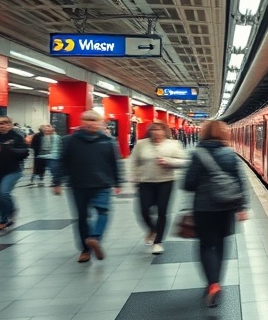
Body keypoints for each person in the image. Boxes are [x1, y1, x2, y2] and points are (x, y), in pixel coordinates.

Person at [183, 120, 250, 307]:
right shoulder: (230, 154)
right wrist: (242, 207)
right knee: (220, 245)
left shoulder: (197, 154)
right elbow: (240, 182)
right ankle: (217, 281)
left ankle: (212, 284)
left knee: (206, 246)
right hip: (226, 208)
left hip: (203, 209)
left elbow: (187, 184)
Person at [52, 110, 122, 263]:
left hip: (102, 184)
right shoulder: (69, 140)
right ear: (81, 122)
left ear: (100, 123)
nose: (90, 123)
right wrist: (57, 182)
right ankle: (85, 250)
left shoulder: (108, 142)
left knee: (103, 211)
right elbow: (61, 161)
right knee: (82, 218)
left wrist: (118, 182)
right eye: (87, 120)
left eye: (94, 120)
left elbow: (115, 163)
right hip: (78, 185)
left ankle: (94, 238)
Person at [130, 120, 188, 255]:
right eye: (153, 129)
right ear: (149, 131)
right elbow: (134, 162)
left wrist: (169, 161)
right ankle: (152, 229)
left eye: (159, 129)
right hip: (145, 182)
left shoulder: (174, 144)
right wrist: (134, 178)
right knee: (143, 211)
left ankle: (158, 242)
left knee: (162, 212)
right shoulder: (141, 144)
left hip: (166, 182)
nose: (156, 132)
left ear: (165, 131)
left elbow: (184, 161)